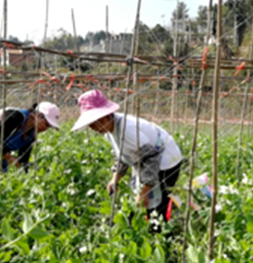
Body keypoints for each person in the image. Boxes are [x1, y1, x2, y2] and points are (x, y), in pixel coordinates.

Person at [72, 90, 183, 230]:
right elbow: (122, 155)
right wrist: (115, 178)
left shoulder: (128, 129)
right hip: (145, 160)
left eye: (96, 122)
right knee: (139, 201)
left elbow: (151, 158)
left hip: (166, 159)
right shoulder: (109, 131)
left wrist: (145, 190)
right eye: (90, 124)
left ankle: (161, 236)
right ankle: (140, 229)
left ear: (107, 116)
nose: (94, 128)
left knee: (156, 204)